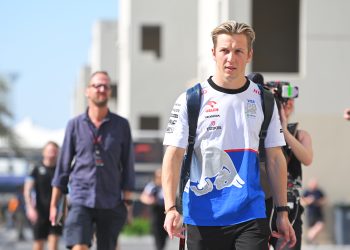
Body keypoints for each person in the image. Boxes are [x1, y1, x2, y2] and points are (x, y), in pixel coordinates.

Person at [161, 20, 296, 250]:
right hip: (201, 216)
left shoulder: (264, 101)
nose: (231, 58)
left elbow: (275, 158)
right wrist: (170, 208)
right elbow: (173, 156)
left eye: (238, 51)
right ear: (213, 53)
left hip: (250, 214)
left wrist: (282, 212)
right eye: (224, 50)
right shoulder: (191, 99)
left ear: (249, 54)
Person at [49, 71, 135, 250]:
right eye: (97, 85)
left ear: (110, 92)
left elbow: (128, 166)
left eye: (106, 86)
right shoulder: (74, 125)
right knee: (79, 247)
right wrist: (54, 205)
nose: (102, 89)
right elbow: (63, 168)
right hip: (81, 197)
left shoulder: (121, 125)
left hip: (110, 200)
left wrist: (127, 204)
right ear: (87, 91)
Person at [264, 81, 313, 250]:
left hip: (291, 206)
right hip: (265, 203)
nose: (289, 105)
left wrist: (284, 130)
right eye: (284, 101)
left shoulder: (299, 134)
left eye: (291, 101)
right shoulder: (262, 133)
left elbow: (307, 158)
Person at [24, 141, 62, 250]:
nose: (52, 153)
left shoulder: (60, 170)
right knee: (38, 244)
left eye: (54, 151)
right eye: (49, 151)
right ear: (44, 152)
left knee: (53, 244)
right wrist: (30, 207)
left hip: (55, 212)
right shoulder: (35, 168)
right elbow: (27, 190)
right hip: (39, 211)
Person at [140, 168, 167, 250]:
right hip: (156, 212)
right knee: (157, 233)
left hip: (165, 212)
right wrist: (150, 200)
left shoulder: (167, 186)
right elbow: (143, 197)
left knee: (164, 234)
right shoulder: (152, 186)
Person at [302, 178, 326, 244]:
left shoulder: (319, 192)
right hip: (310, 213)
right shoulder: (307, 192)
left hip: (318, 212)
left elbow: (324, 200)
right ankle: (312, 240)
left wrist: (318, 202)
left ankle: (309, 237)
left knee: (320, 225)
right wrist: (309, 200)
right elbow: (302, 202)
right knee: (311, 227)